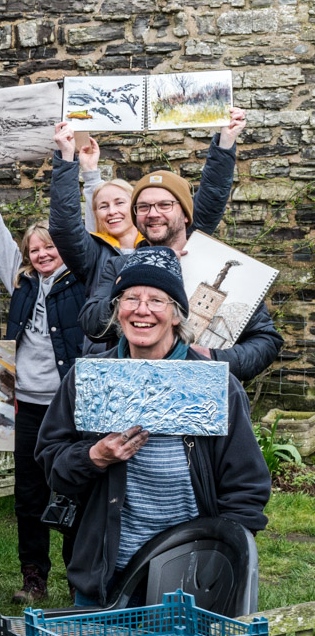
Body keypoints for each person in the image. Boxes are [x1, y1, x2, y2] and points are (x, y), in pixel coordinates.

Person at [36, 249, 269, 608]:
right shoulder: (88, 378)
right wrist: (94, 456)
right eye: (131, 298)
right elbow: (52, 465)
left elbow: (246, 487)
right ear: (117, 310)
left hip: (191, 576)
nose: (142, 310)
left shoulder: (214, 386)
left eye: (157, 300)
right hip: (105, 570)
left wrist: (222, 561)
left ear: (177, 314)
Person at [56, 116, 283, 382]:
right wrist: (144, 266)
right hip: (130, 393)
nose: (153, 214)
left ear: (186, 214)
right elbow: (94, 326)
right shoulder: (117, 266)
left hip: (201, 400)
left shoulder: (216, 263)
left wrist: (214, 359)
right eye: (143, 207)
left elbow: (266, 341)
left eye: (165, 205)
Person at [0, 158, 81, 606]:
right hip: (27, 407)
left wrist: (81, 170)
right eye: (35, 249)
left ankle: (77, 577)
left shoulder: (85, 282)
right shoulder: (22, 284)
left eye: (50, 247)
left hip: (70, 407)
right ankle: (34, 579)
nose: (42, 254)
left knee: (72, 492)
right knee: (29, 497)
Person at [74, 136, 139, 252]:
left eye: (119, 203)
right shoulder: (95, 254)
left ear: (136, 206)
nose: (112, 212)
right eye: (103, 206)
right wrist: (89, 169)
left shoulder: (158, 247)